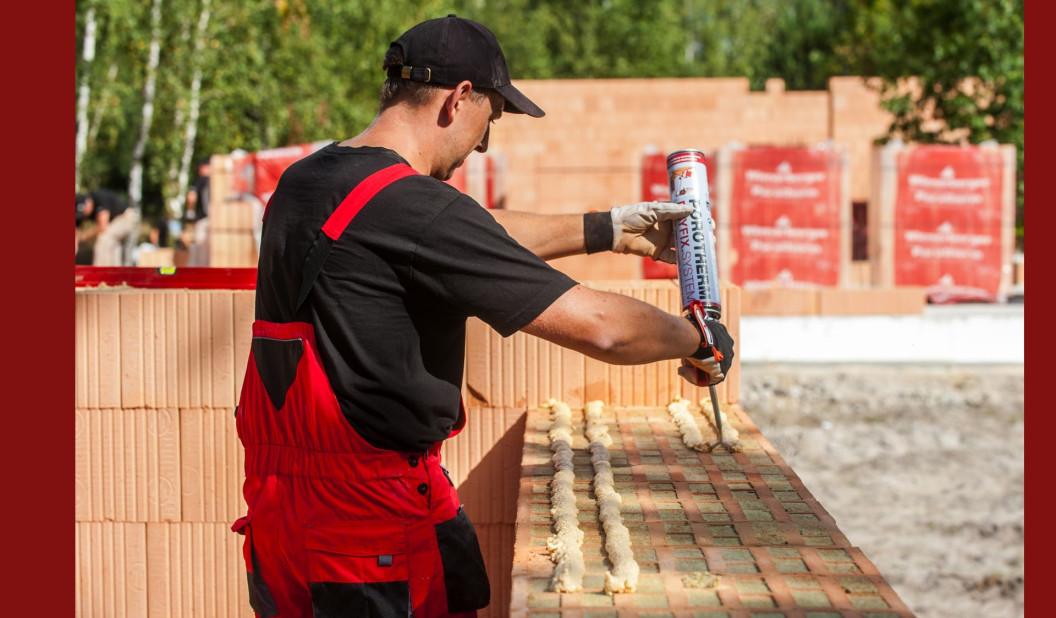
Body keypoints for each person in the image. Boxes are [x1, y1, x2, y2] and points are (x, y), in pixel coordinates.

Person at [232, 14, 735, 618]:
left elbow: (469, 233)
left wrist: (609, 229)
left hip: (282, 524)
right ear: (459, 99)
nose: (482, 145)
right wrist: (696, 337)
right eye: (489, 122)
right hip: (370, 542)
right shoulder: (415, 210)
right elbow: (603, 327)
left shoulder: (307, 181)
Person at [79, 189, 135, 266]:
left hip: (125, 216)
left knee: (104, 239)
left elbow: (103, 227)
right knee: (113, 246)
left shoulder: (98, 199)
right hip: (117, 219)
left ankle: (100, 274)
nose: (84, 215)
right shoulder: (91, 203)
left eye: (84, 212)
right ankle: (115, 274)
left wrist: (87, 236)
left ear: (88, 203)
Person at [184, 158, 212, 266]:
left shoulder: (201, 179)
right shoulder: (216, 182)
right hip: (216, 222)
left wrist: (189, 213)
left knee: (199, 254)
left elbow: (191, 197)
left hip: (203, 221)